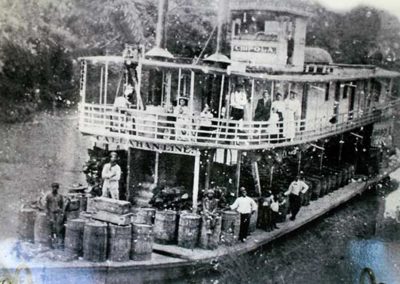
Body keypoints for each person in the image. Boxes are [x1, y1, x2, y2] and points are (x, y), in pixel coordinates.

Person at [44, 182, 64, 247]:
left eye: (56, 187)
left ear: (58, 188)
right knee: (51, 228)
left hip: (58, 213)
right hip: (51, 213)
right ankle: (50, 244)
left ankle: (58, 244)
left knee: (58, 228)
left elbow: (62, 205)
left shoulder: (60, 196)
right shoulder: (49, 196)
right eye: (53, 187)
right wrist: (47, 214)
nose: (54, 188)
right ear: (52, 188)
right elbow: (46, 205)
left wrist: (61, 212)